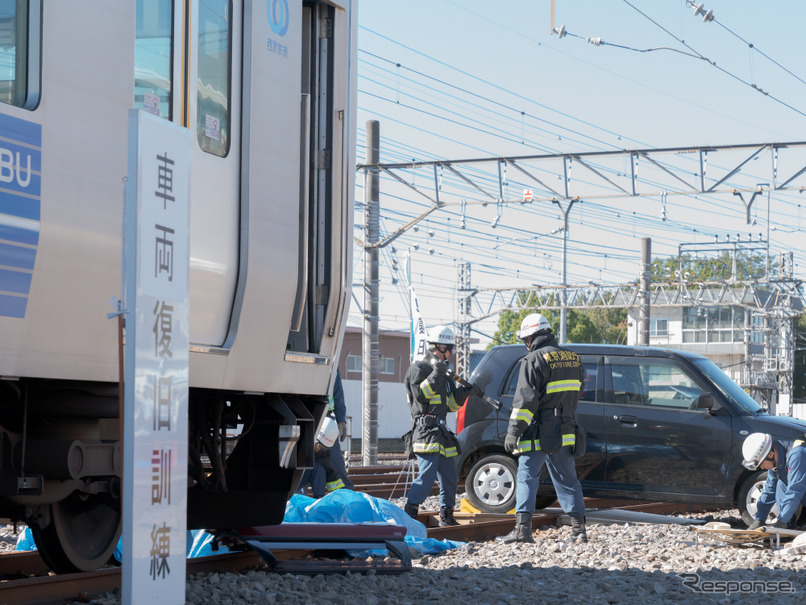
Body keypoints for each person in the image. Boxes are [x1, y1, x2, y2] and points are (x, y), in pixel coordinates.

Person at [499, 312, 588, 544]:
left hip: (539, 432)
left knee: (528, 476)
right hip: (567, 429)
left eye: (525, 340)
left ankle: (522, 530)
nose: (525, 345)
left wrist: (513, 432)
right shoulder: (573, 359)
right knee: (568, 479)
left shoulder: (533, 360)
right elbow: (576, 395)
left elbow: (525, 403)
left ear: (531, 337)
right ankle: (579, 531)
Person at [402, 324, 482, 527]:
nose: (451, 354)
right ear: (438, 347)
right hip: (425, 431)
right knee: (427, 475)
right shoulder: (418, 369)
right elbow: (421, 395)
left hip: (441, 431)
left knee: (449, 476)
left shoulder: (446, 374)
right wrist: (437, 373)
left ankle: (447, 516)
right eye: (450, 349)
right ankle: (409, 514)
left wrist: (466, 392)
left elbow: (451, 405)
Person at [742, 432, 806, 530]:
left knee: (787, 487)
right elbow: (769, 491)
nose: (762, 468)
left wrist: (781, 521)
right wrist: (760, 520)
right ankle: (788, 526)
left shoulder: (797, 454)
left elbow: (795, 491)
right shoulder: (778, 459)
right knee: (780, 484)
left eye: (761, 464)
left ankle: (786, 524)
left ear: (771, 454)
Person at [297, 416, 345, 498]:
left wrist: (340, 496)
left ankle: (319, 499)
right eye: (320, 446)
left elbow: (331, 472)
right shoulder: (297, 439)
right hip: (285, 479)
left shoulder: (321, 451)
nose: (319, 450)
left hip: (298, 478)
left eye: (324, 447)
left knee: (319, 467)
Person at [328, 370, 354, 491]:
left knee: (335, 461)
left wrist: (341, 419)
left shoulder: (333, 361)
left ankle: (344, 495)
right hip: (320, 417)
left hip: (325, 417)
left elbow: (337, 392)